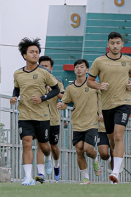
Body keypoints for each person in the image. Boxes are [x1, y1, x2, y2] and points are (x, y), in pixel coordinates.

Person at [87, 31, 131, 184]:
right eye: (112, 43)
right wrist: (99, 85)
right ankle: (115, 163)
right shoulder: (99, 61)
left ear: (122, 44)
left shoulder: (129, 61)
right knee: (111, 140)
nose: (115, 46)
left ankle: (115, 172)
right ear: (108, 45)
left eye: (118, 43)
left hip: (124, 103)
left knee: (118, 136)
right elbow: (90, 81)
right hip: (106, 105)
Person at [11, 38, 61, 186]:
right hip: (25, 114)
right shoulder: (18, 74)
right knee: (26, 143)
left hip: (42, 116)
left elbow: (57, 89)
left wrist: (42, 98)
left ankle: (47, 159)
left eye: (37, 52)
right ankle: (28, 177)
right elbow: (17, 88)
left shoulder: (44, 73)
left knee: (44, 146)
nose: (35, 54)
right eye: (31, 52)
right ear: (24, 55)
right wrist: (14, 97)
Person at [57, 59, 102, 184]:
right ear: (74, 70)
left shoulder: (93, 85)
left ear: (87, 70)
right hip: (77, 122)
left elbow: (101, 99)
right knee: (79, 150)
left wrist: (101, 113)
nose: (79, 69)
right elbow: (65, 102)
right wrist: (61, 106)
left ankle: (95, 158)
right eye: (77, 67)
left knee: (88, 149)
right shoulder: (70, 88)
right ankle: (85, 177)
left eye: (82, 67)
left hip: (92, 121)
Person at [33, 56, 65, 182]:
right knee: (41, 145)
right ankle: (41, 174)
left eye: (47, 66)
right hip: (39, 118)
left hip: (54, 119)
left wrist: (54, 91)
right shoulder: (35, 81)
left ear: (51, 68)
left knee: (54, 147)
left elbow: (64, 97)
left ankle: (56, 166)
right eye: (42, 66)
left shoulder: (57, 82)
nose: (44, 68)